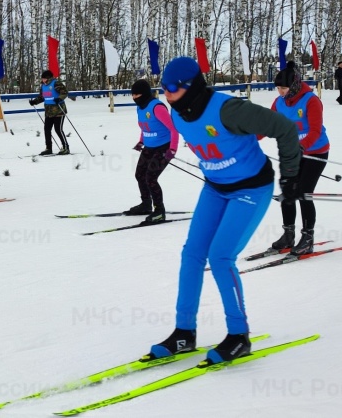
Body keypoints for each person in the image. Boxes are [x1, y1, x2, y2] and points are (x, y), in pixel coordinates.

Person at [147, 57, 300, 365]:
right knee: (192, 254)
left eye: (172, 88)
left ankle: (238, 335)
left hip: (251, 189)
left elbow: (284, 128)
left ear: (190, 87)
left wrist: (290, 176)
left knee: (220, 257)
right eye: (163, 87)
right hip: (215, 188)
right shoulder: (177, 114)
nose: (166, 93)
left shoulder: (229, 110)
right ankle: (184, 332)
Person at [268, 62, 330, 255]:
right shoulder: (279, 103)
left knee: (304, 192)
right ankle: (288, 234)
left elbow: (315, 130)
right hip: (294, 153)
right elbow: (268, 124)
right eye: (277, 88)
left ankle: (308, 238)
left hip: (316, 152)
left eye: (283, 88)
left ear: (293, 85)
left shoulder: (311, 100)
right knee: (287, 191)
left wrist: (299, 147)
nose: (280, 92)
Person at [123, 79, 179, 223]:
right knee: (140, 174)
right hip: (150, 146)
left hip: (164, 146)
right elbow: (144, 126)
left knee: (151, 178)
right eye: (132, 94)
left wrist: (172, 149)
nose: (134, 97)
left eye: (137, 94)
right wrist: (141, 141)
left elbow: (173, 129)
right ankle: (146, 204)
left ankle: (159, 211)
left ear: (145, 93)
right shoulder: (140, 108)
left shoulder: (157, 108)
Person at [29, 70, 70, 155]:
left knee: (58, 129)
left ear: (48, 78)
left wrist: (59, 98)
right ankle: (48, 148)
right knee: (47, 129)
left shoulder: (56, 83)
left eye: (44, 78)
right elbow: (42, 97)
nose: (43, 80)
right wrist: (34, 102)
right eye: (42, 78)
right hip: (48, 111)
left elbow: (64, 92)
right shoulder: (43, 86)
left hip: (59, 110)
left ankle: (65, 147)